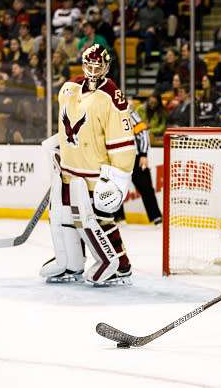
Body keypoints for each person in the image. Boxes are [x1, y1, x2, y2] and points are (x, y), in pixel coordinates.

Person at [39, 44, 136, 286]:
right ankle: (71, 261)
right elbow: (66, 126)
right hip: (69, 171)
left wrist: (120, 177)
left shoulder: (112, 95)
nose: (93, 69)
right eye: (90, 64)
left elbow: (122, 140)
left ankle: (120, 265)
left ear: (106, 67)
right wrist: (56, 145)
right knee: (67, 218)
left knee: (99, 219)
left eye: (98, 65)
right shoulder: (69, 88)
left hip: (95, 173)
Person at [114, 104, 163, 225]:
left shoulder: (130, 115)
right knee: (115, 188)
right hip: (116, 158)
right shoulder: (109, 116)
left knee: (146, 187)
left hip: (134, 157)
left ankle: (157, 217)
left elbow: (143, 133)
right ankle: (119, 218)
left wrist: (143, 154)